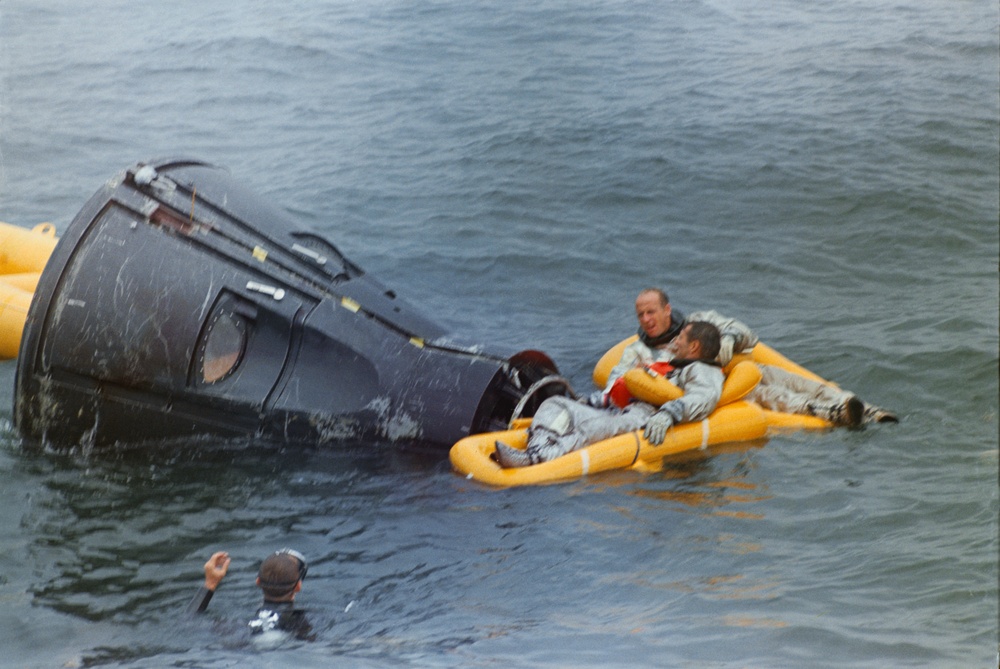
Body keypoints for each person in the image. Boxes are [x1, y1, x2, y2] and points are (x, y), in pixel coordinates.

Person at [595, 288, 897, 426]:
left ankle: (867, 409)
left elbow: (745, 334)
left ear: (666, 309)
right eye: (640, 314)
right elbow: (614, 385)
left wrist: (725, 341)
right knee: (776, 395)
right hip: (719, 394)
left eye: (651, 312)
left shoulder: (699, 322)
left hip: (735, 372)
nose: (646, 319)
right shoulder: (637, 351)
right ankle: (839, 415)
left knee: (797, 381)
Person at [495, 321, 725, 467]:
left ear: (694, 346)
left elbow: (703, 397)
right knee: (555, 403)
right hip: (619, 409)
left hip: (646, 417)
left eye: (682, 337)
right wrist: (594, 401)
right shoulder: (672, 364)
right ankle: (535, 449)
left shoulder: (703, 370)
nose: (676, 339)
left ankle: (538, 459)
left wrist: (668, 414)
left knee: (595, 429)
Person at [188, 549, 314, 641]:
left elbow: (190, 620)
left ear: (257, 582)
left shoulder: (238, 625)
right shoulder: (305, 623)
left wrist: (210, 583)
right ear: (298, 586)